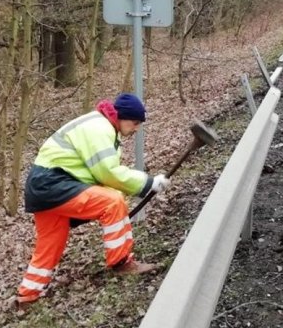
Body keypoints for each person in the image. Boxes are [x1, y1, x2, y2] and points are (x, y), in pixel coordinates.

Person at [15, 93, 170, 305]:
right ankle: (122, 263)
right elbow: (108, 173)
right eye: (135, 123)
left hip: (42, 187)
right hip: (55, 183)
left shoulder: (100, 125)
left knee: (50, 243)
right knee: (113, 201)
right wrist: (148, 183)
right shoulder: (101, 129)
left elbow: (101, 174)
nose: (136, 128)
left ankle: (28, 295)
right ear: (122, 117)